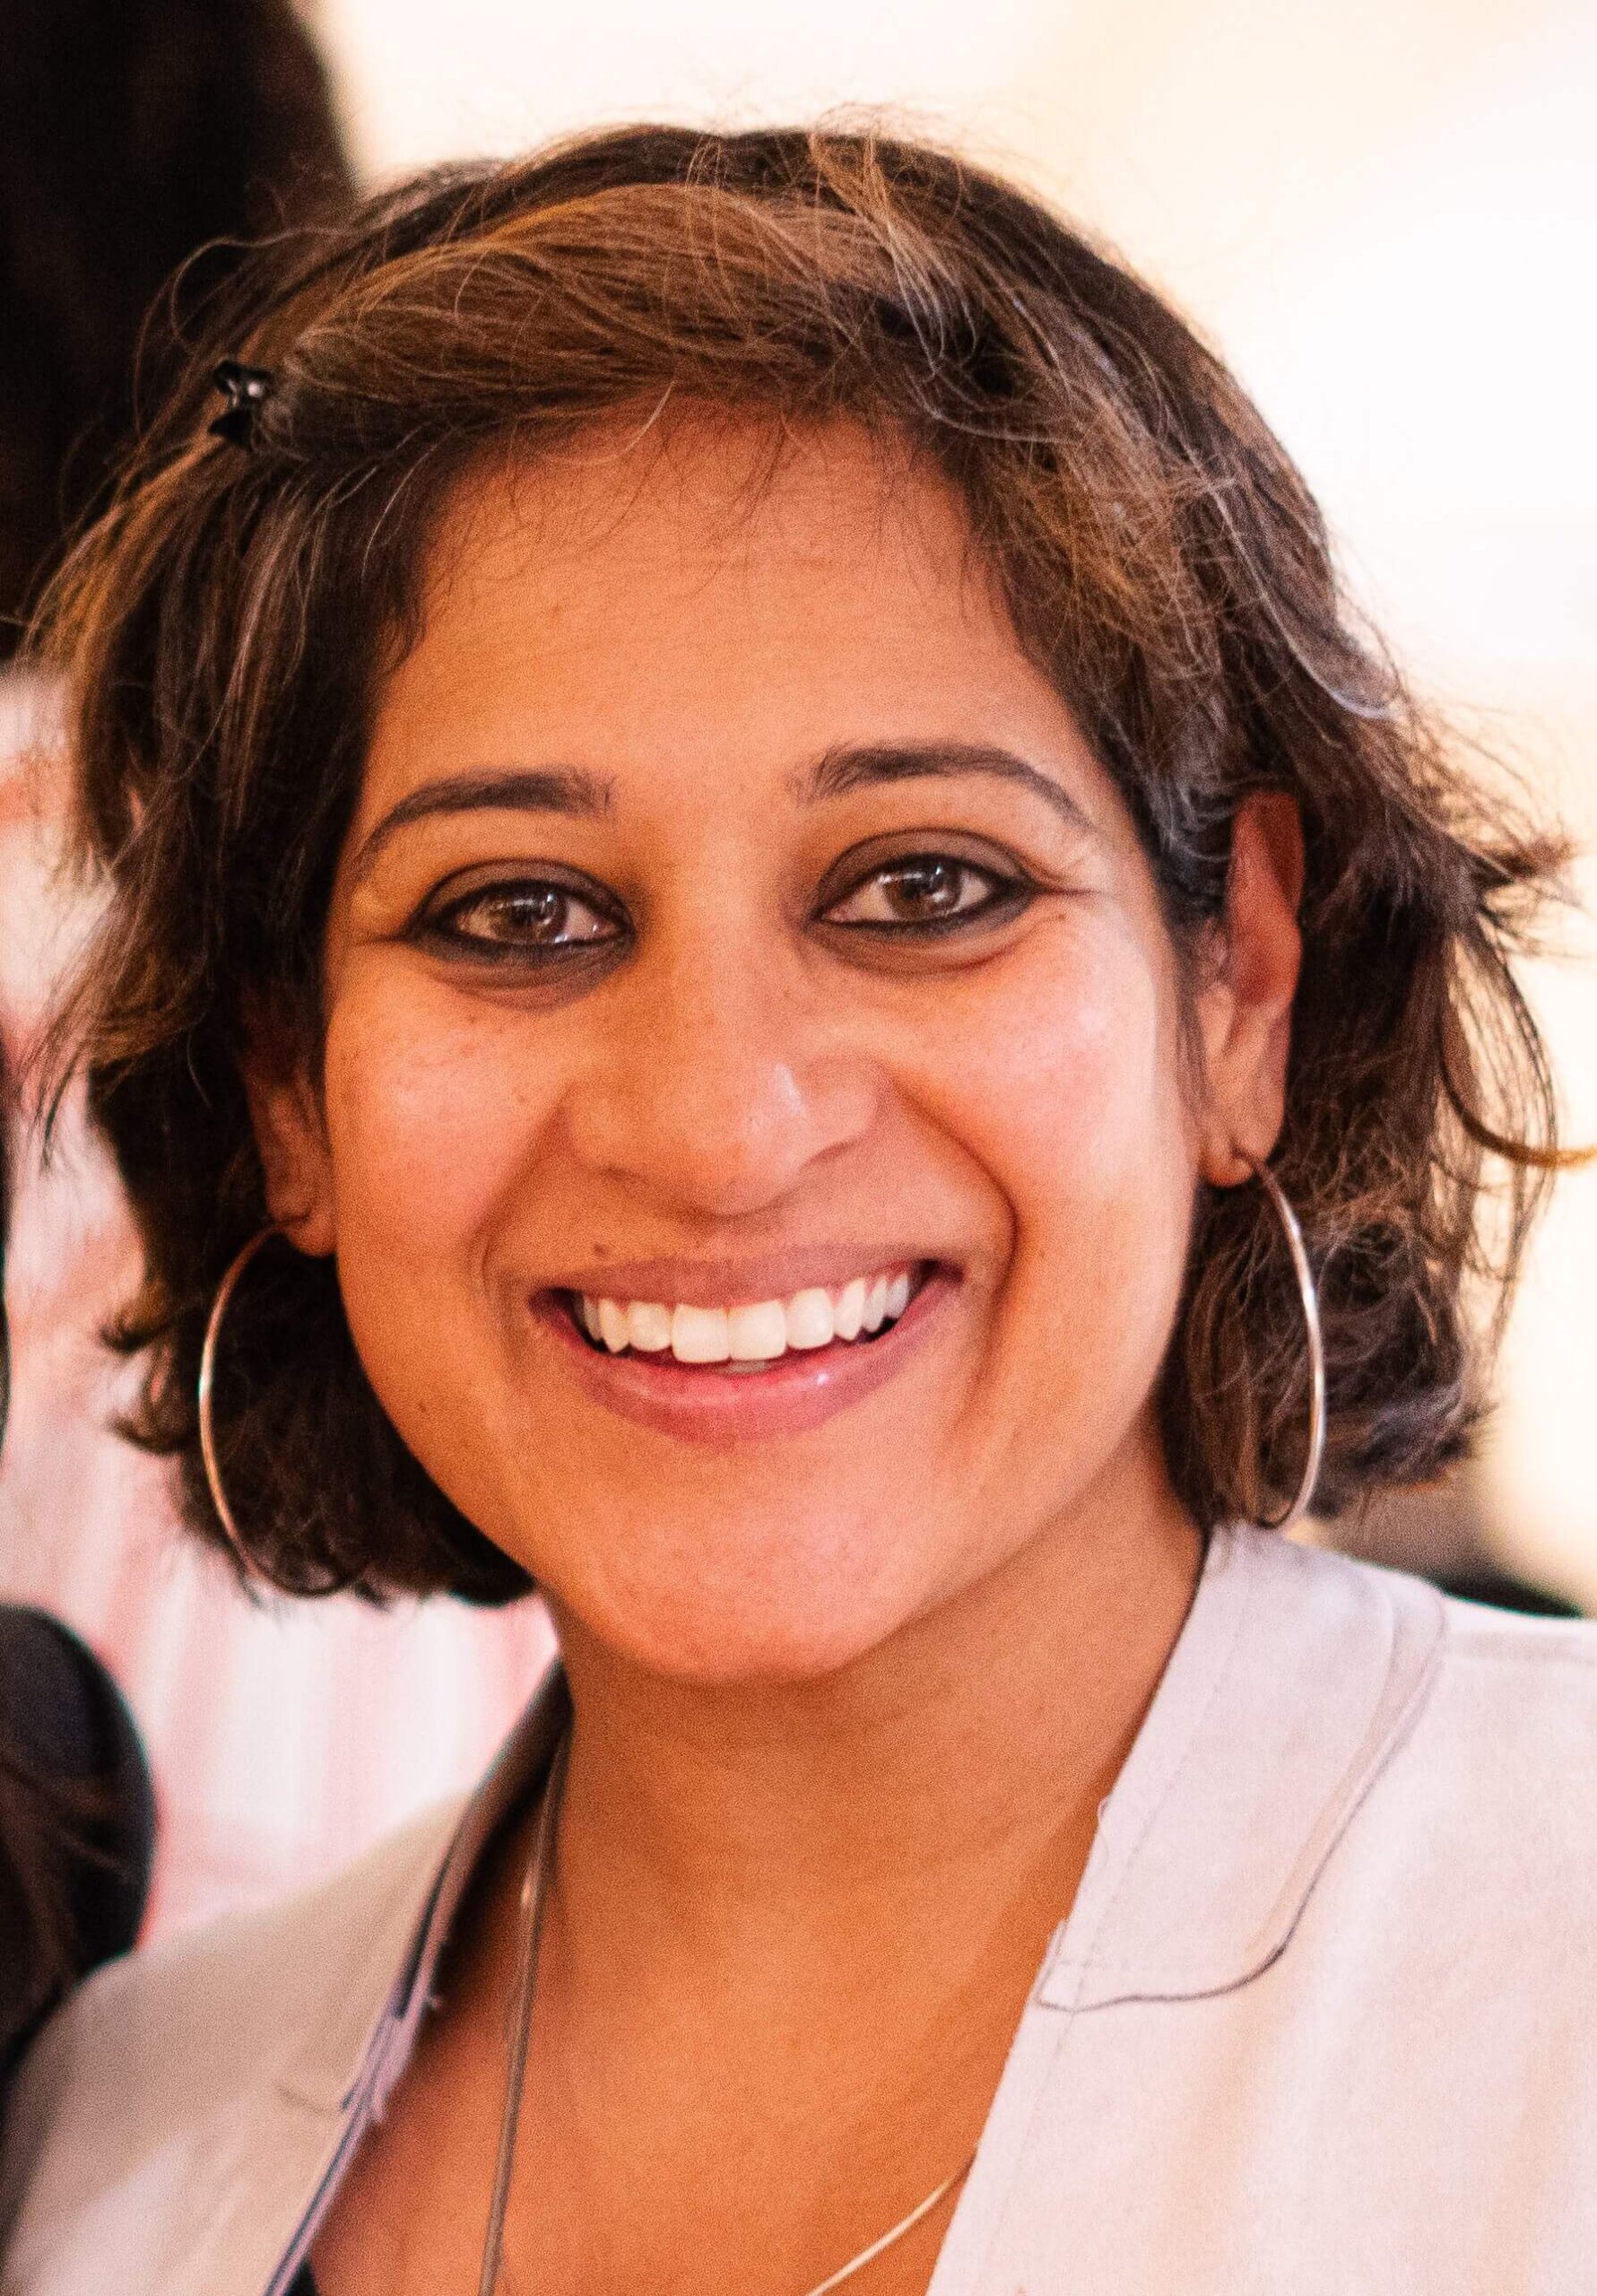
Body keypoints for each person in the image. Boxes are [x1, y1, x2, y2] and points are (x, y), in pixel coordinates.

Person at [3, 124, 1595, 2293]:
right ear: (292, 1084)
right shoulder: (98, 2136)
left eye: (925, 885)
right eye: (520, 911)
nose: (721, 1123)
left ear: (1239, 982)